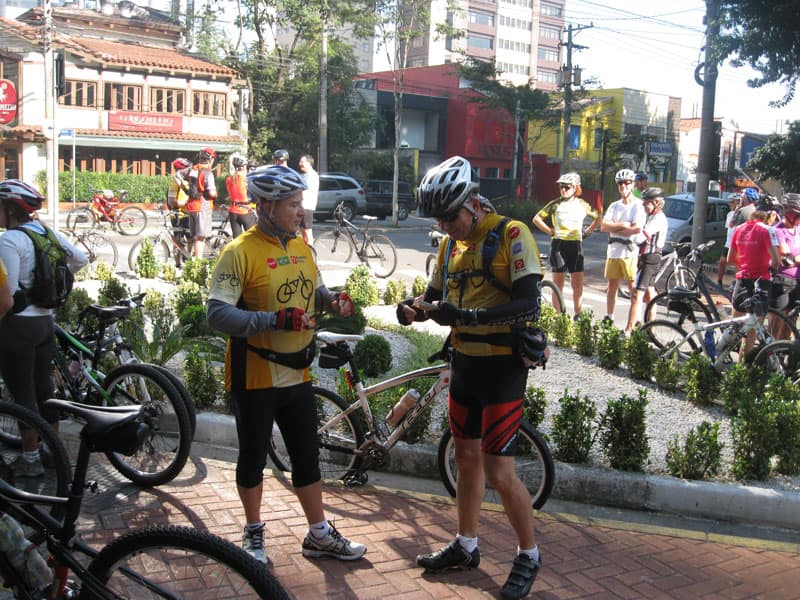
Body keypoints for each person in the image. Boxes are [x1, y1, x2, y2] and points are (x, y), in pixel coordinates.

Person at [396, 155, 545, 600]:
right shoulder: (449, 247)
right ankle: (466, 544)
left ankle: (529, 554)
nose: (446, 227)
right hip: (465, 365)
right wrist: (412, 308)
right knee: (464, 459)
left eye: (451, 217)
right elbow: (433, 298)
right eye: (439, 220)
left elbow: (528, 304)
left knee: (499, 471)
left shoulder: (511, 235)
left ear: (473, 204)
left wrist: (467, 316)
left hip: (502, 369)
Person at [206, 164, 366, 566]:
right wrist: (273, 321)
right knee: (253, 457)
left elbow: (316, 290)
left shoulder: (301, 247)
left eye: (300, 203)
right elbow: (217, 314)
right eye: (293, 204)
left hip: (298, 372)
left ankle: (318, 534)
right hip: (255, 374)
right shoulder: (239, 252)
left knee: (307, 455)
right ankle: (253, 532)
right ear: (266, 206)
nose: (300, 211)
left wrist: (333, 301)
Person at [0, 179, 87, 476]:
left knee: (22, 395)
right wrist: (48, 285)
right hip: (45, 323)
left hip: (17, 328)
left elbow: (8, 295)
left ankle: (30, 459)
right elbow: (80, 258)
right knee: (44, 391)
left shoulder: (9, 240)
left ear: (11, 209)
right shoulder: (46, 232)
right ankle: (52, 453)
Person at [532, 172, 601, 316]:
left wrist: (587, 232)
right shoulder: (556, 203)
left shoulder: (582, 204)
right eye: (561, 187)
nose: (563, 190)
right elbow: (536, 219)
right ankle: (557, 317)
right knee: (558, 285)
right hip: (558, 246)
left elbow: (598, 217)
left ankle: (578, 315)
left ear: (575, 188)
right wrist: (550, 231)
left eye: (567, 187)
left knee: (578, 285)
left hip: (575, 246)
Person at [727, 198, 781, 356]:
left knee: (734, 327)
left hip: (742, 280)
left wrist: (746, 265)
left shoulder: (739, 228)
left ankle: (719, 360)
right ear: (770, 214)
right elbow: (776, 261)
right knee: (751, 332)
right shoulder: (767, 230)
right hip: (761, 282)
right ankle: (743, 367)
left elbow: (730, 258)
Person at [600, 169, 646, 325]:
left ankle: (636, 319)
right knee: (612, 286)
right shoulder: (614, 206)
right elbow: (604, 227)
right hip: (613, 251)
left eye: (627, 183)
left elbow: (636, 229)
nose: (623, 186)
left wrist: (615, 227)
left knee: (632, 287)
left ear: (632, 184)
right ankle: (609, 316)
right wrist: (624, 225)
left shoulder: (638, 205)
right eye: (620, 183)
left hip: (629, 253)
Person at [625, 188, 669, 334]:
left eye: (646, 204)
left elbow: (641, 237)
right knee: (650, 294)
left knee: (637, 294)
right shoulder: (654, 217)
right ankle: (650, 329)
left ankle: (629, 330)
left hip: (650, 259)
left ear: (656, 203)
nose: (644, 206)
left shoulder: (658, 219)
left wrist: (630, 238)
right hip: (651, 258)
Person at [771, 193, 800, 339]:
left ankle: (784, 350)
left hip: (797, 281)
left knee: (791, 322)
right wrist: (794, 259)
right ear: (789, 212)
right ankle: (771, 350)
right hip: (781, 281)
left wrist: (795, 259)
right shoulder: (778, 230)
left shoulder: (798, 229)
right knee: (777, 321)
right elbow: (785, 256)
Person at [186, 147, 218, 258]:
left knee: (195, 236)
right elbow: (212, 193)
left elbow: (180, 177)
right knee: (200, 238)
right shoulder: (207, 173)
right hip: (202, 207)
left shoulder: (192, 170)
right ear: (210, 159)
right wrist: (215, 194)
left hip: (192, 206)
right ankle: (198, 262)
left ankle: (191, 259)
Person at [167, 157, 192, 267]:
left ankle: (188, 258)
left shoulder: (187, 182)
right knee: (177, 241)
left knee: (191, 238)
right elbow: (172, 201)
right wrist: (186, 204)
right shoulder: (174, 184)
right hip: (178, 216)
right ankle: (178, 264)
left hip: (188, 215)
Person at [226, 154, 256, 238]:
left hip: (233, 211)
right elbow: (253, 196)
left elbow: (230, 194)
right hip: (246, 211)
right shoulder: (247, 179)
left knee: (237, 239)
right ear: (243, 167)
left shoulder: (229, 179)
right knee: (250, 239)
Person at [717, 193, 741, 286]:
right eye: (729, 202)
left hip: (738, 244)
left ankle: (736, 284)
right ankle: (719, 282)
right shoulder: (730, 214)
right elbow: (730, 226)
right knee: (722, 261)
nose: (729, 204)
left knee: (737, 264)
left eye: (732, 202)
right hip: (728, 243)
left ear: (738, 202)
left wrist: (738, 210)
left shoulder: (742, 214)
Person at [298, 155, 319, 245]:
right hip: (301, 206)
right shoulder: (303, 175)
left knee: (307, 232)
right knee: (303, 231)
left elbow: (304, 190)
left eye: (302, 162)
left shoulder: (313, 175)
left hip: (307, 206)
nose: (300, 164)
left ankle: (311, 251)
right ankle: (306, 250)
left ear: (309, 163)